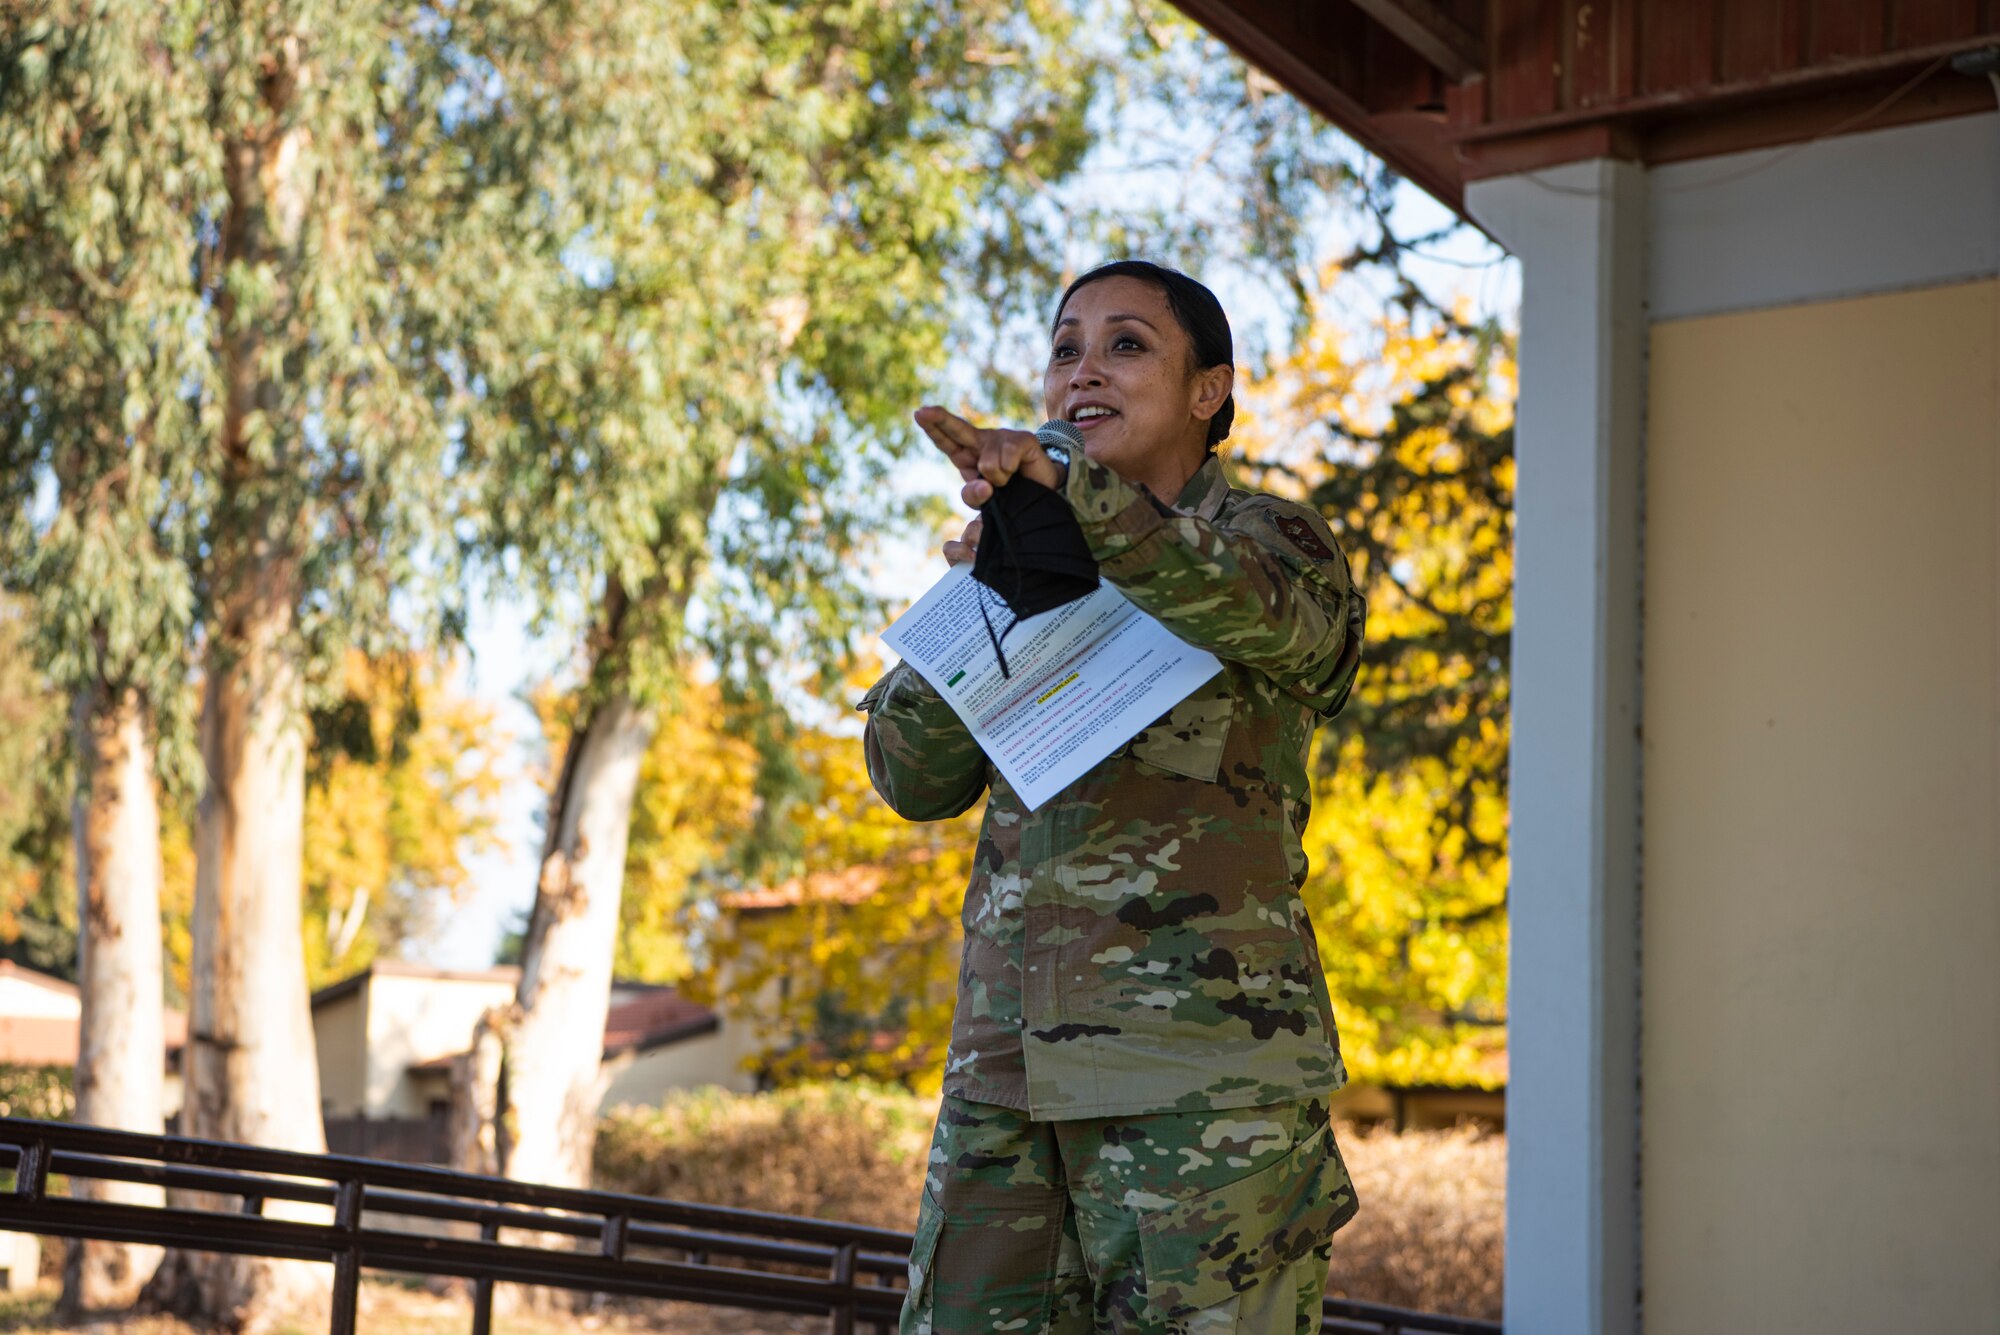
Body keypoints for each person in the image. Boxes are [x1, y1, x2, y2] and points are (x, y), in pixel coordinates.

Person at [860, 261, 1367, 1335]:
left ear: (1207, 390)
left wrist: (1081, 509)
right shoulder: (1020, 557)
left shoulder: (1275, 545)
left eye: (1125, 344)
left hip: (1198, 1094)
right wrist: (990, 591)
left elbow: (1262, 618)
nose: (1081, 370)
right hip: (1006, 1087)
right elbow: (911, 780)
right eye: (1063, 348)